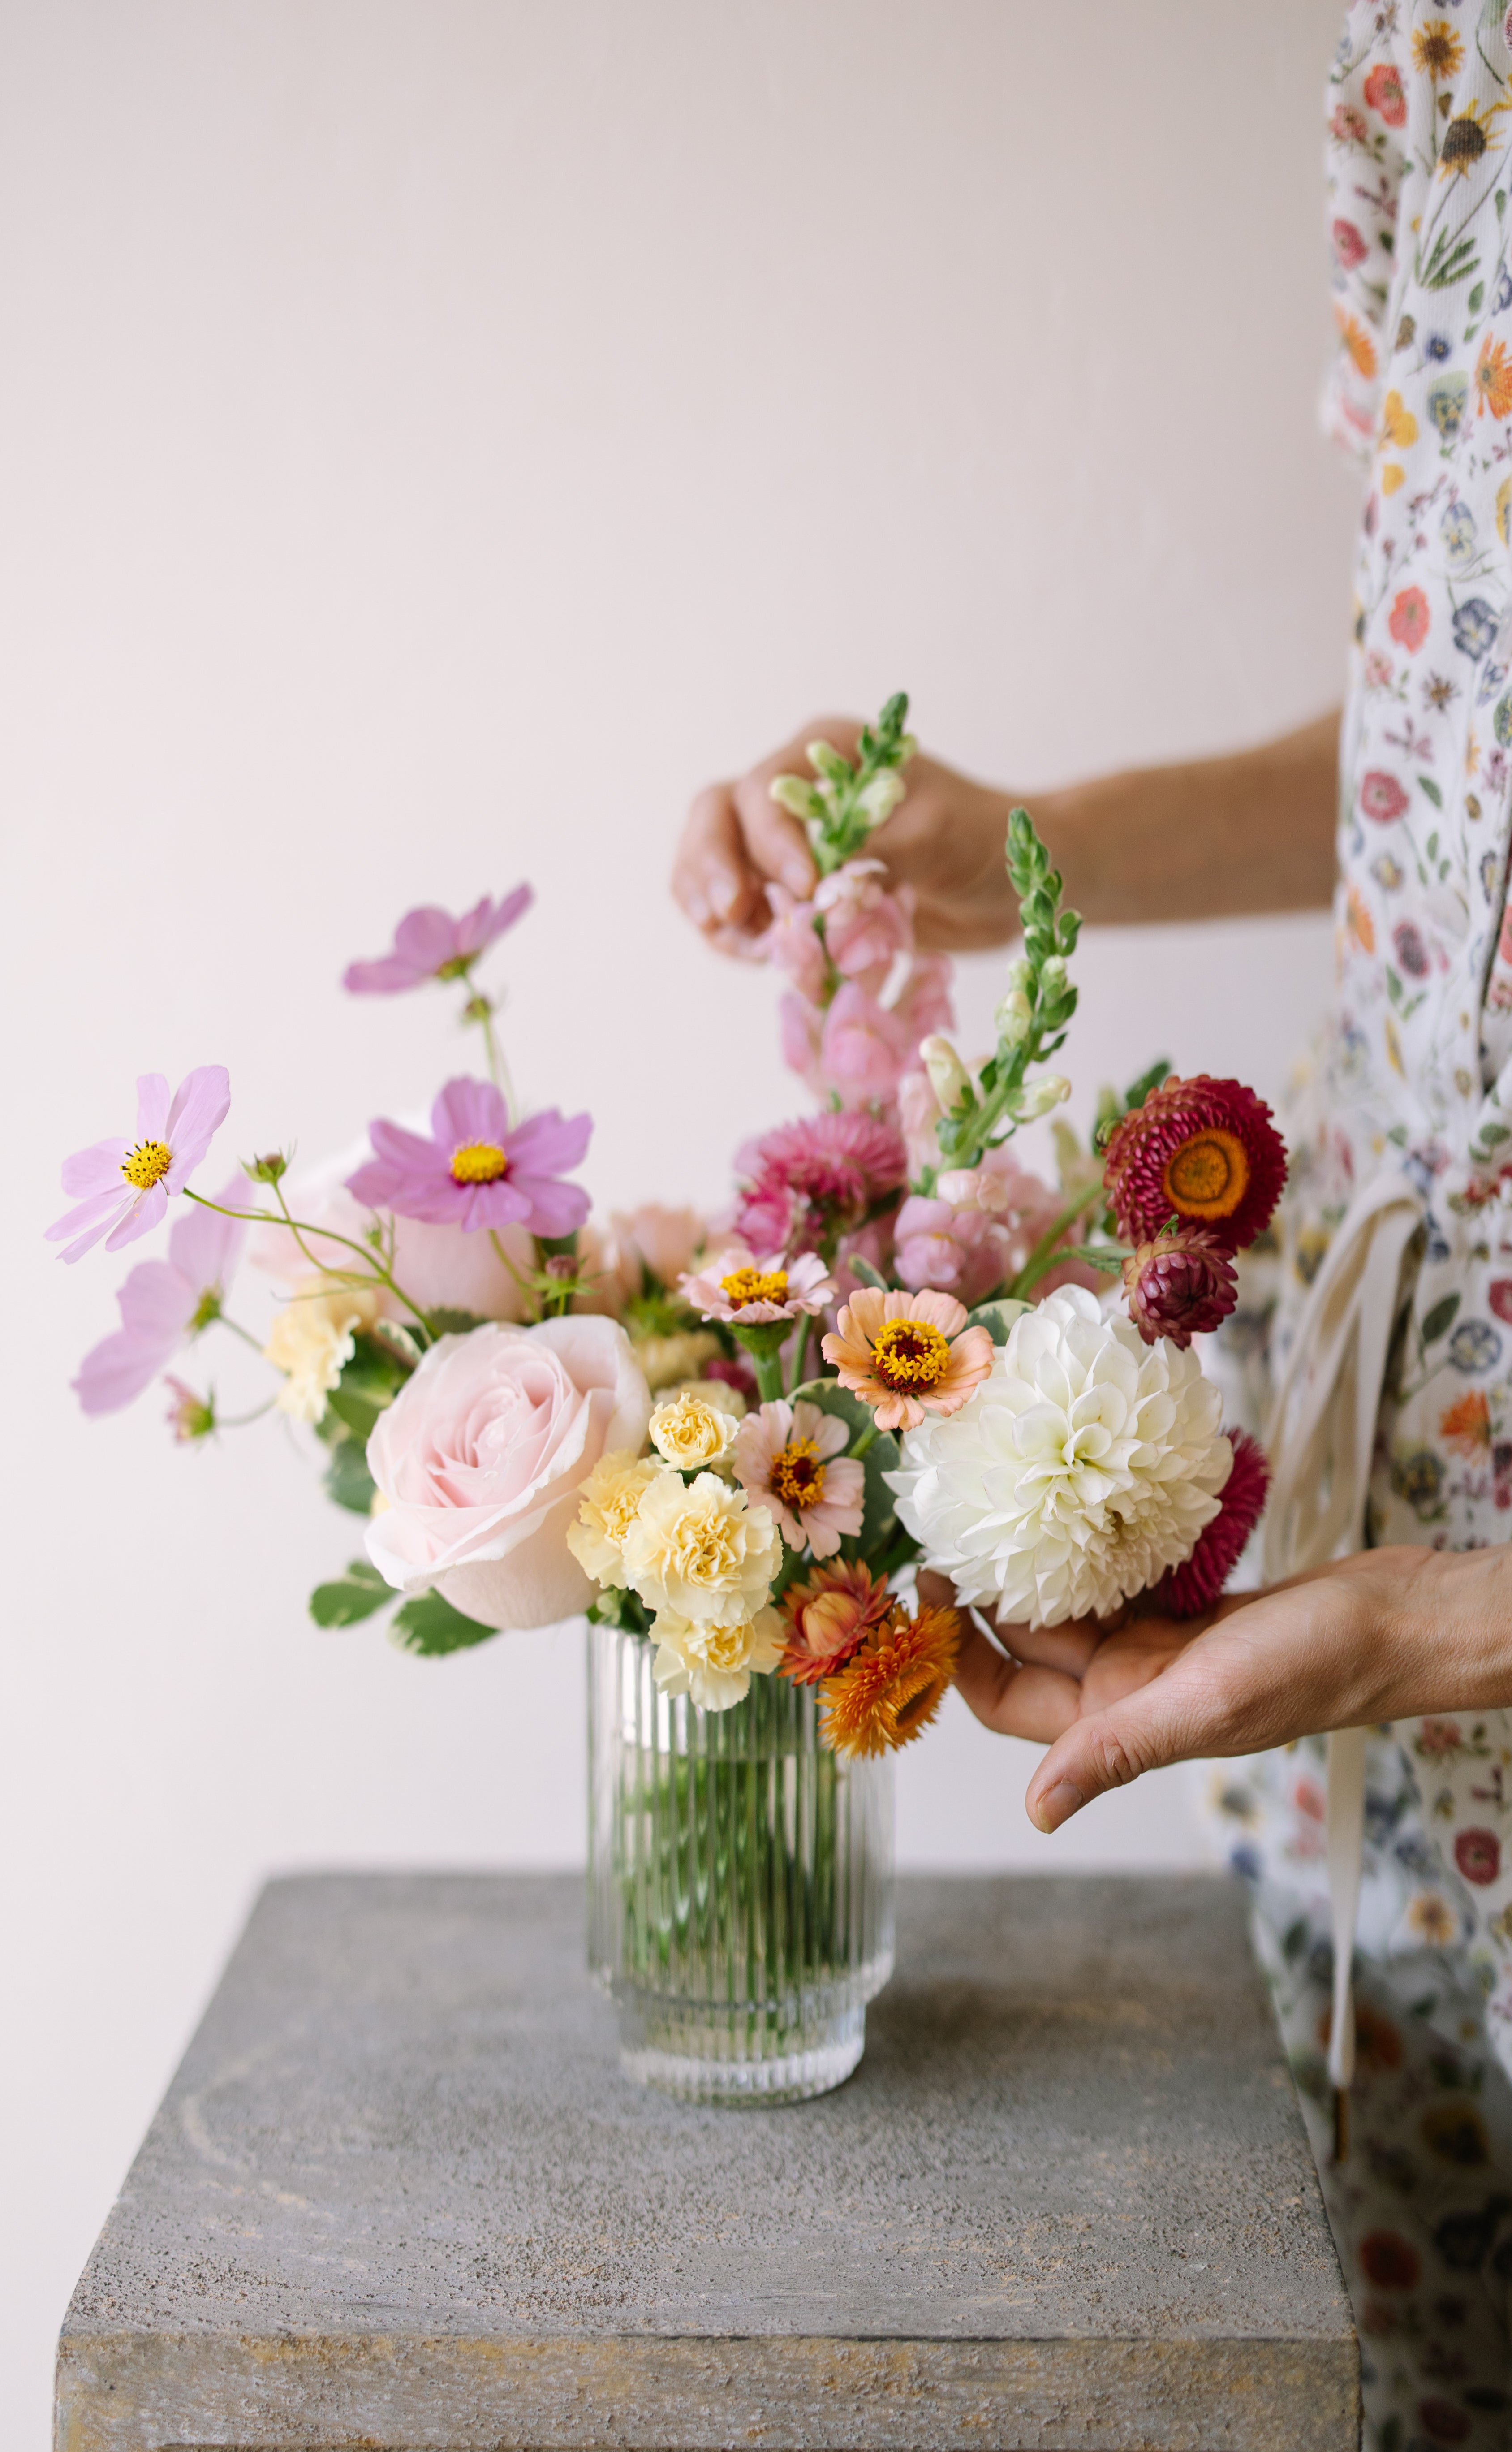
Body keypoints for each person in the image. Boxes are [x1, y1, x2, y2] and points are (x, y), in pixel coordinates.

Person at [673, 11, 1512, 2441]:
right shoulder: (1436, 52)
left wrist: (1440, 1630)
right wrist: (1023, 852)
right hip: (1395, 1514)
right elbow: (1447, 724)